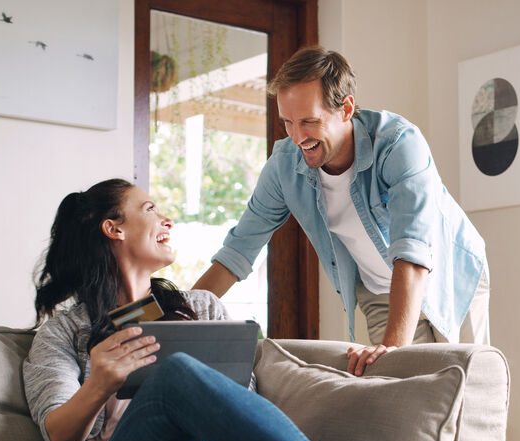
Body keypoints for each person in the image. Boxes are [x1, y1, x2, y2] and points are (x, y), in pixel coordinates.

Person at [23, 179, 426, 441]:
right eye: (149, 209)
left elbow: (242, 408)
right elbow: (57, 435)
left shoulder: (201, 307)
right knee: (176, 371)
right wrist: (99, 384)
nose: (167, 219)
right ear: (114, 229)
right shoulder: (64, 332)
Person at [192, 46, 489, 376]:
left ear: (346, 109)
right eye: (287, 122)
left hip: (448, 273)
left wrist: (392, 347)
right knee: (399, 394)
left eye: (309, 121)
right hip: (380, 291)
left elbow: (414, 249)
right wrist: (179, 321)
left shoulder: (398, 143)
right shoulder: (283, 167)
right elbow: (237, 252)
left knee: (466, 393)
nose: (297, 137)